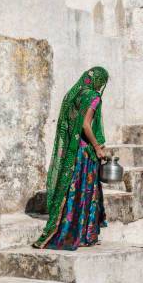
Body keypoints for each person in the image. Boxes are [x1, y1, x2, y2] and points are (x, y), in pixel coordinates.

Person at [33, 67, 109, 250]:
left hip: (72, 152)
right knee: (85, 191)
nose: (101, 86)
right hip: (84, 153)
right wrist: (97, 147)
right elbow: (85, 124)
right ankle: (82, 235)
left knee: (72, 191)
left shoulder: (74, 95)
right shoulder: (93, 97)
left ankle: (74, 231)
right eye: (102, 82)